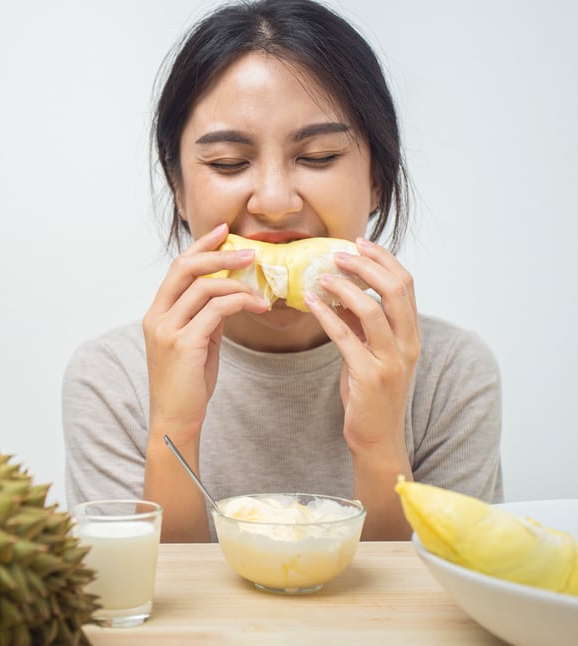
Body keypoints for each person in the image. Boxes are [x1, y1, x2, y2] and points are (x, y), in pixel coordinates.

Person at [62, 0, 502, 542]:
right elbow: (143, 607)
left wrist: (380, 444)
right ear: (177, 188)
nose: (273, 201)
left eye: (317, 156)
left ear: (377, 181)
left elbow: (432, 614)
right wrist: (173, 430)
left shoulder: (450, 376)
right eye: (227, 163)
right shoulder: (112, 380)